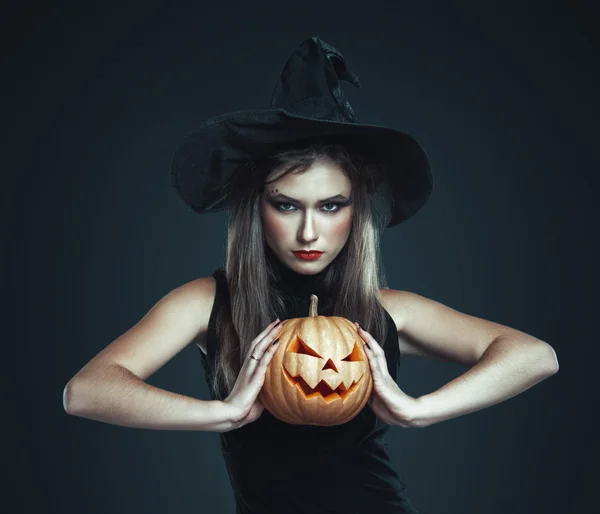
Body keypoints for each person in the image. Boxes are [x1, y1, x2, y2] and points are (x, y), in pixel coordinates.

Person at [63, 37, 559, 514]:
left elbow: (535, 355)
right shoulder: (208, 303)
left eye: (330, 206)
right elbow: (86, 391)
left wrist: (418, 409)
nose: (307, 231)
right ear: (256, 209)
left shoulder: (388, 308)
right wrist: (221, 414)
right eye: (286, 205)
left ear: (355, 210)